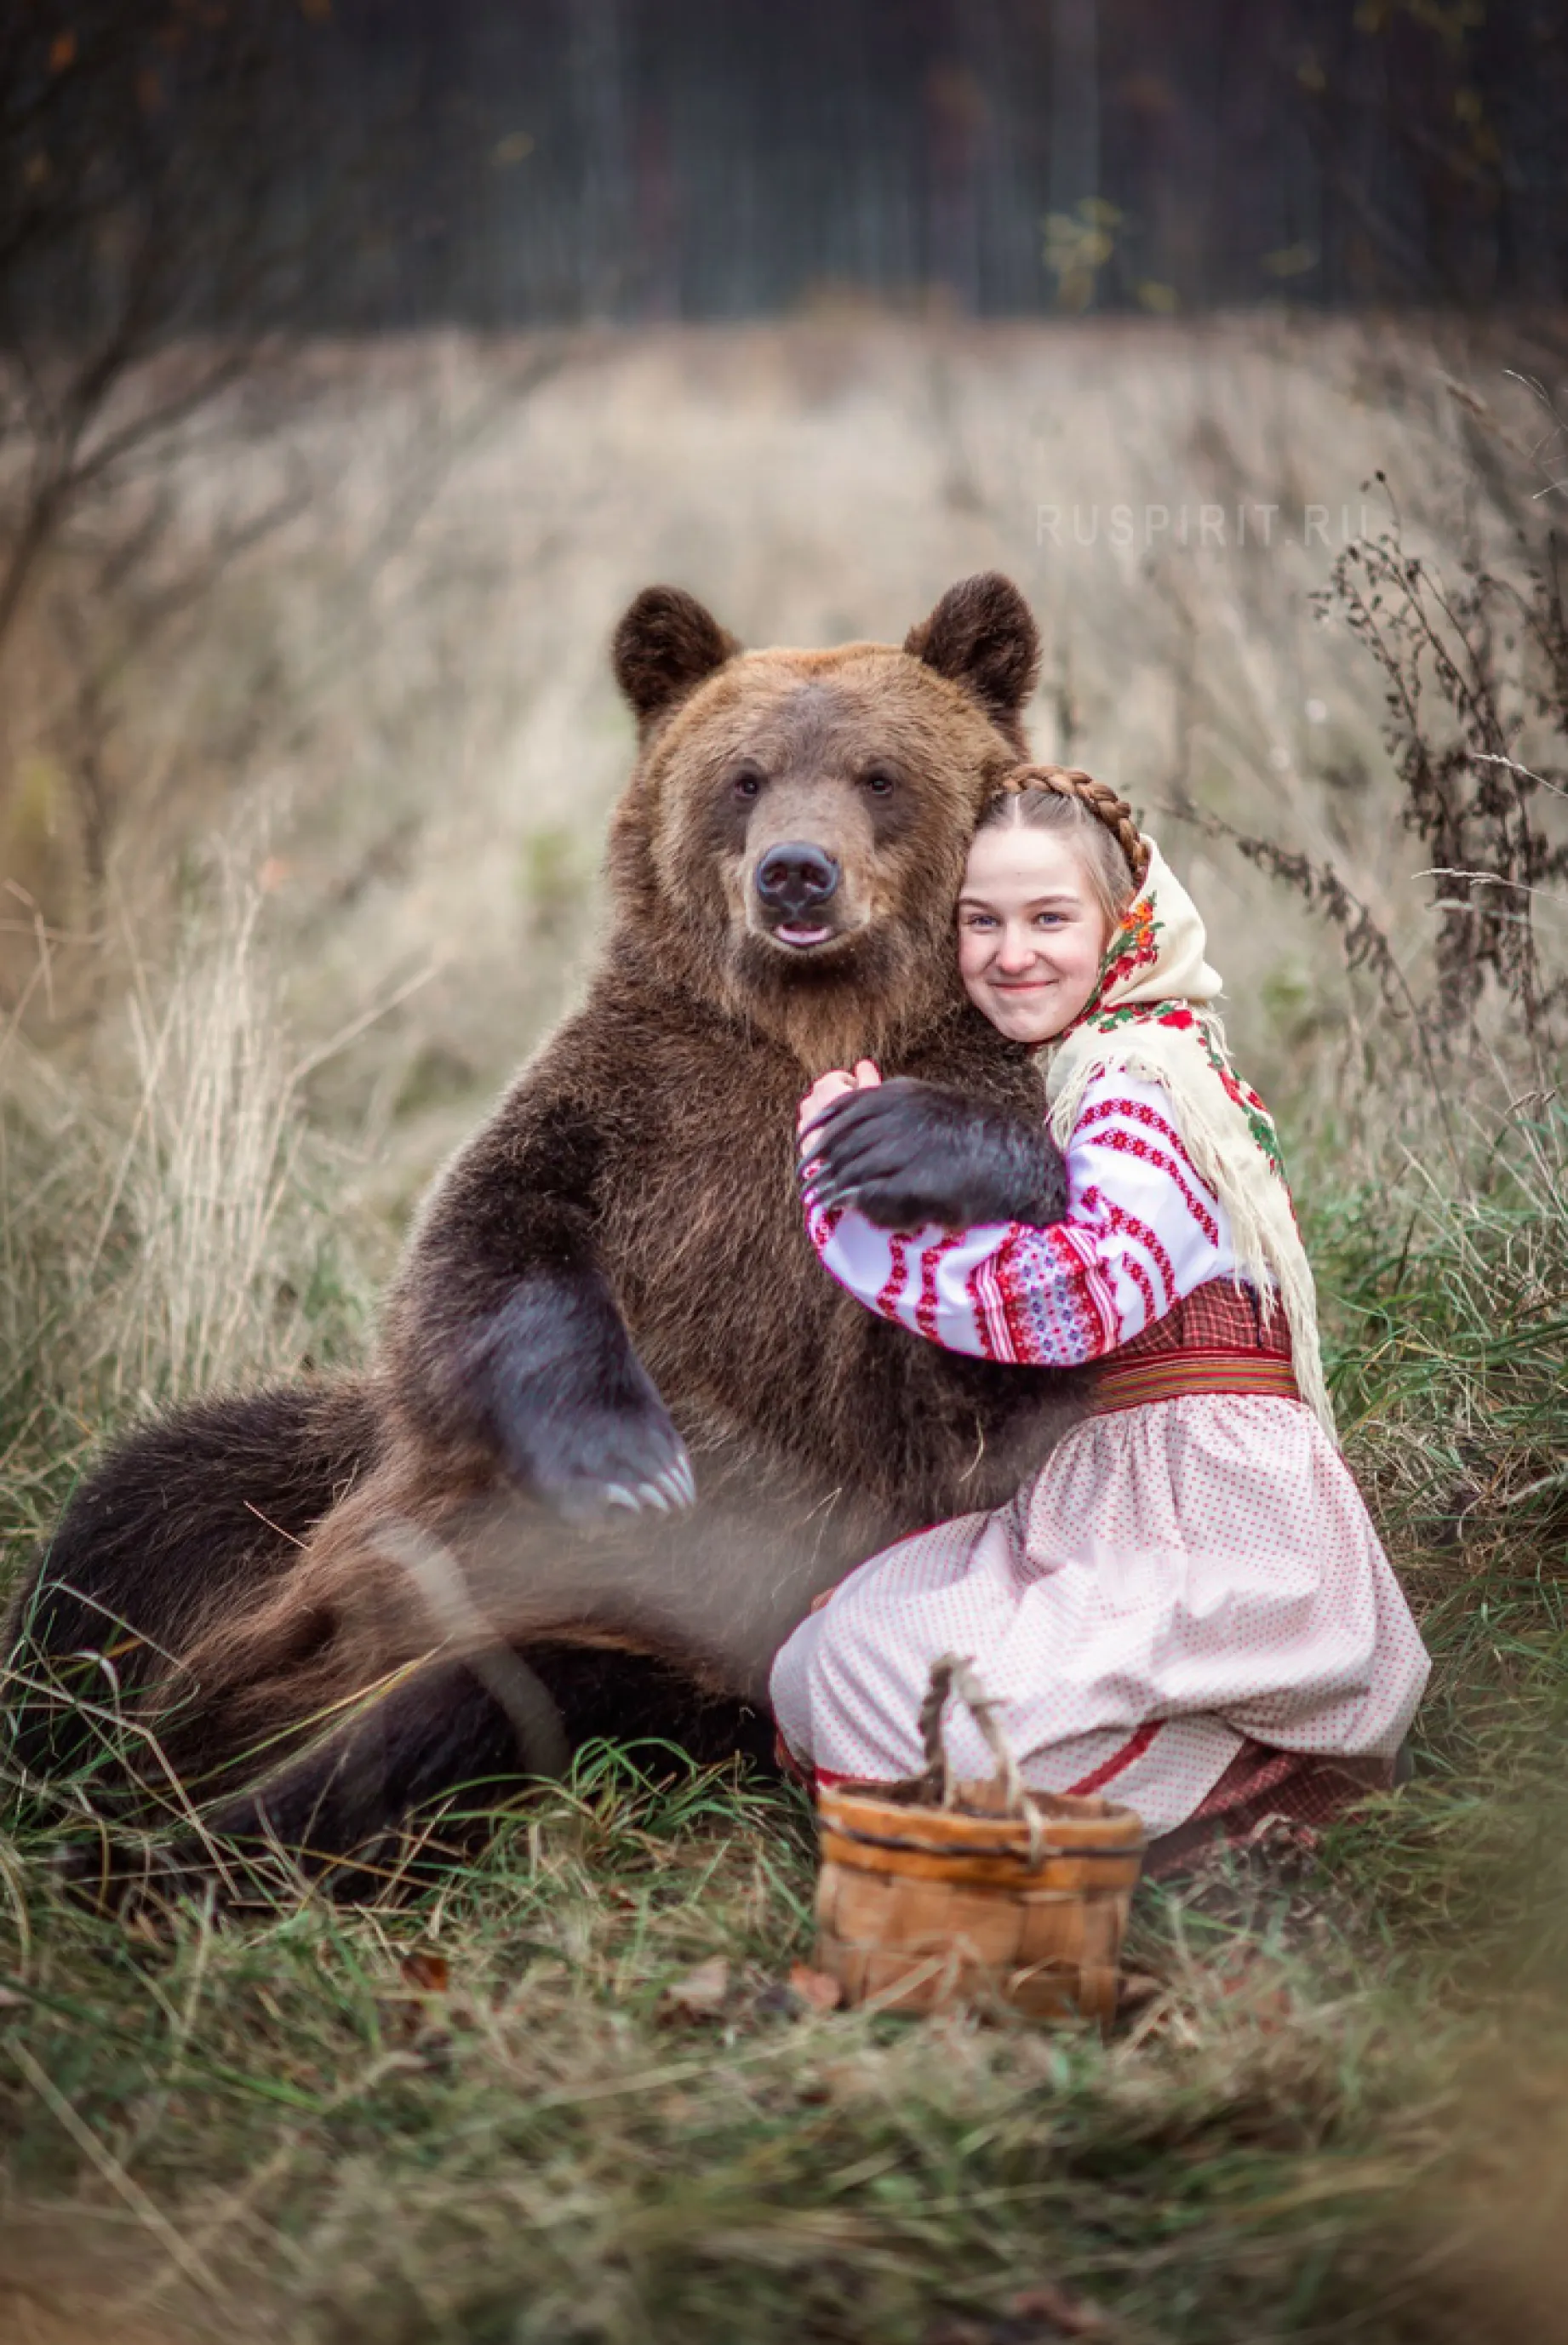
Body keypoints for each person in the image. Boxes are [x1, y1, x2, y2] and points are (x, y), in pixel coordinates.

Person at [770, 766, 1429, 1871]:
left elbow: (1082, 1296)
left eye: (1047, 918)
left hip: (1203, 1517)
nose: (1009, 952)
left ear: (1120, 921)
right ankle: (1161, 1800)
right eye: (979, 921)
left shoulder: (1136, 1074)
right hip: (1115, 1496)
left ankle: (1226, 1805)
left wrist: (842, 1199)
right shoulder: (1090, 1062)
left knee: (879, 1678)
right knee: (831, 1650)